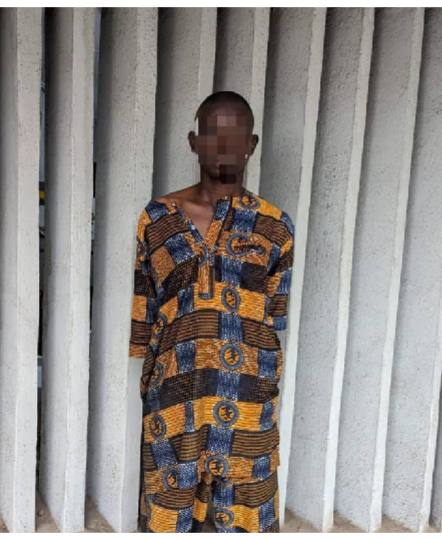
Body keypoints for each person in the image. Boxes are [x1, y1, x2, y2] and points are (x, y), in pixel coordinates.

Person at [129, 91, 293, 533]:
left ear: (252, 144)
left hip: (247, 403)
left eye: (235, 134)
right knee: (169, 515)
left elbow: (274, 321)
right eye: (213, 134)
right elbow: (144, 312)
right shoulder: (157, 219)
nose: (224, 145)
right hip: (174, 404)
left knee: (245, 519)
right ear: (193, 141)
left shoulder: (276, 228)